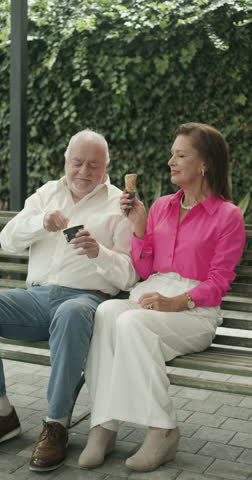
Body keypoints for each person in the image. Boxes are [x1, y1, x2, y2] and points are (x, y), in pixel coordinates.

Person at [79, 122, 246, 473]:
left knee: (131, 322)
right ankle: (104, 424)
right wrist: (140, 227)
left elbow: (219, 281)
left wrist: (177, 301)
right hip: (152, 296)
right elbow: (145, 268)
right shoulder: (161, 207)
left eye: (181, 155)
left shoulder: (227, 216)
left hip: (194, 312)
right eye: (172, 153)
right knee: (107, 312)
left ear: (205, 164)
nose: (171, 161)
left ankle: (162, 429)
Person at [0, 129, 138, 472]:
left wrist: (98, 253)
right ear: (66, 161)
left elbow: (129, 275)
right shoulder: (48, 193)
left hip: (84, 301)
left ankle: (56, 424)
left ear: (106, 166)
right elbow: (7, 240)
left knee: (72, 313)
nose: (83, 171)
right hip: (36, 298)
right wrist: (39, 223)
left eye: (93, 164)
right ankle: (3, 413)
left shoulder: (119, 204)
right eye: (77, 162)